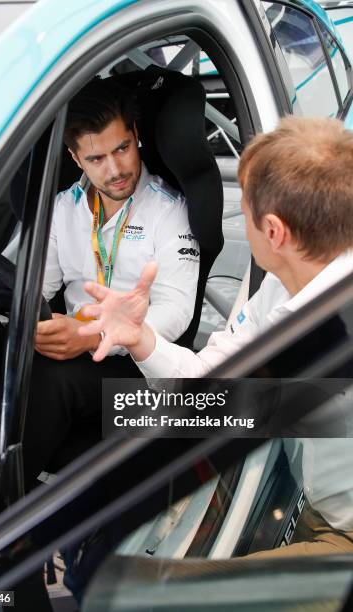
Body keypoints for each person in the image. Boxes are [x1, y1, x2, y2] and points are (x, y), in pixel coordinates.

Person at [77, 115, 353, 557]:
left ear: (275, 232)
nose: (239, 221)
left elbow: (214, 409)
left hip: (342, 531)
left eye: (243, 210)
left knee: (134, 588)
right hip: (313, 493)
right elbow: (210, 377)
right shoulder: (287, 285)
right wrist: (140, 338)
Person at [21, 77, 200, 488]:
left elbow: (175, 311)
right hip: (74, 344)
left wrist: (94, 335)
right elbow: (35, 288)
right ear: (75, 158)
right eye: (97, 158)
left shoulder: (169, 210)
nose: (116, 169)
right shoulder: (63, 209)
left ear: (136, 135)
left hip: (136, 367)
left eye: (122, 148)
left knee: (52, 380)